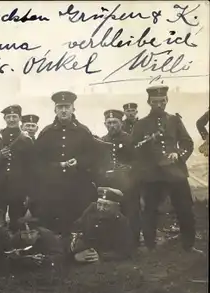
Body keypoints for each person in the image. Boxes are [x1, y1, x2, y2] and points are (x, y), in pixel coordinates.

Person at [131, 85, 202, 254]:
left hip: (175, 173)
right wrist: (146, 150)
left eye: (162, 101)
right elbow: (133, 148)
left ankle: (189, 245)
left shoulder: (174, 120)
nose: (159, 105)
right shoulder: (141, 124)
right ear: (149, 102)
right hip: (152, 174)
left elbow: (187, 143)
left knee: (184, 208)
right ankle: (149, 245)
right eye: (155, 102)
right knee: (150, 210)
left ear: (167, 101)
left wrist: (178, 154)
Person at [32, 91, 97, 239]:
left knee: (76, 218)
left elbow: (93, 156)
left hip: (77, 185)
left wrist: (79, 161)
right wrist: (57, 166)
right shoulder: (46, 132)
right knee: (53, 220)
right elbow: (37, 161)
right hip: (52, 186)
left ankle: (76, 248)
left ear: (73, 109)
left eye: (67, 106)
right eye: (60, 107)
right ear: (55, 109)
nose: (63, 110)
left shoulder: (83, 131)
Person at [0, 105, 34, 232]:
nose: (11, 120)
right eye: (8, 117)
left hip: (18, 188)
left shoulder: (26, 140)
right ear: (4, 118)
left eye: (14, 117)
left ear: (20, 118)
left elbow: (31, 167)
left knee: (17, 220)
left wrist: (29, 190)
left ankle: (15, 247)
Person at [97, 109, 141, 248]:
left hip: (128, 183)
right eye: (109, 123)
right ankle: (113, 242)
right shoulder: (102, 141)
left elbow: (139, 161)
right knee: (110, 212)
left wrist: (127, 168)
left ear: (121, 123)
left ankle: (133, 243)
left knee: (130, 211)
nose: (112, 126)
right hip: (110, 183)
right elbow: (99, 162)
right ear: (105, 124)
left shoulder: (130, 140)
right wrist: (103, 171)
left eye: (115, 122)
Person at [70, 187, 134, 264]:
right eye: (99, 204)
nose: (101, 208)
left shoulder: (121, 222)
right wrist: (78, 246)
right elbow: (78, 226)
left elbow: (124, 251)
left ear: (116, 207)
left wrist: (101, 256)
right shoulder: (91, 210)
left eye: (106, 205)